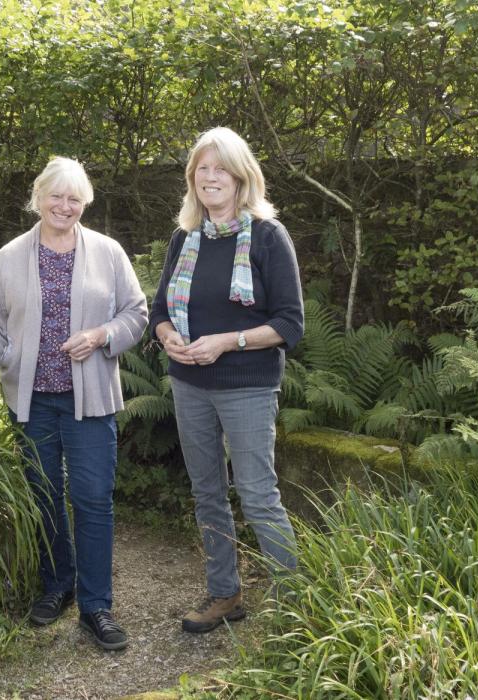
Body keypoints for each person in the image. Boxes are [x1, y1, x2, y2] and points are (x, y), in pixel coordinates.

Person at [0, 157, 147, 651]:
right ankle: (57, 586)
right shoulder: (9, 256)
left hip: (90, 401)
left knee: (92, 498)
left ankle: (96, 606)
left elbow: (136, 313)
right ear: (38, 197)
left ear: (85, 204)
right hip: (32, 402)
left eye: (75, 199)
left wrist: (100, 334)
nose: (64, 206)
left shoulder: (109, 253)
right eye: (56, 196)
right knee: (43, 495)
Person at [149, 127, 303, 633]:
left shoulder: (266, 236)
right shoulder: (184, 238)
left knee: (257, 493)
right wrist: (169, 336)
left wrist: (225, 342)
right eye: (201, 168)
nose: (209, 177)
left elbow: (289, 324)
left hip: (247, 385)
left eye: (221, 169)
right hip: (189, 384)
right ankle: (224, 594)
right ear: (192, 178)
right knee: (207, 492)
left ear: (242, 178)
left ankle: (297, 606)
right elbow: (158, 312)